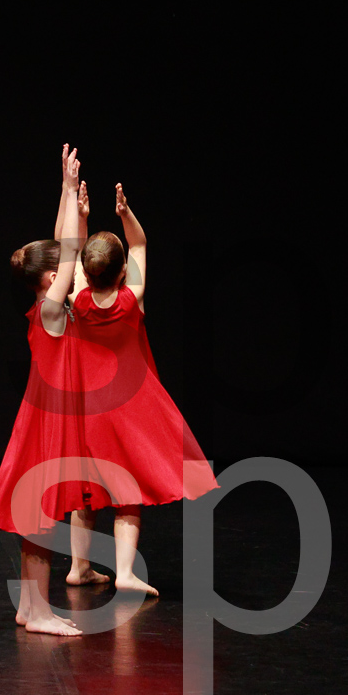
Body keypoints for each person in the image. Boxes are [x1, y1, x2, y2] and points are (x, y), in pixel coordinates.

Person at [67, 181, 219, 596]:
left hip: (86, 408)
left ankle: (79, 568)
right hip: (126, 408)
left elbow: (76, 255)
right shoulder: (131, 298)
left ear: (87, 273)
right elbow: (139, 244)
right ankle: (125, 572)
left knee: (88, 487)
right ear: (122, 273)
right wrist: (124, 212)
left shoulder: (78, 299)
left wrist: (80, 219)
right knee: (126, 489)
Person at [0, 146, 93, 636]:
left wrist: (68, 200)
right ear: (52, 280)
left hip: (47, 417)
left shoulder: (48, 306)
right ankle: (41, 613)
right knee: (43, 515)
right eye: (64, 272)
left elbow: (64, 249)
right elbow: (66, 253)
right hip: (48, 423)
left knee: (38, 514)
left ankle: (30, 609)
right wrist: (67, 189)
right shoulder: (50, 311)